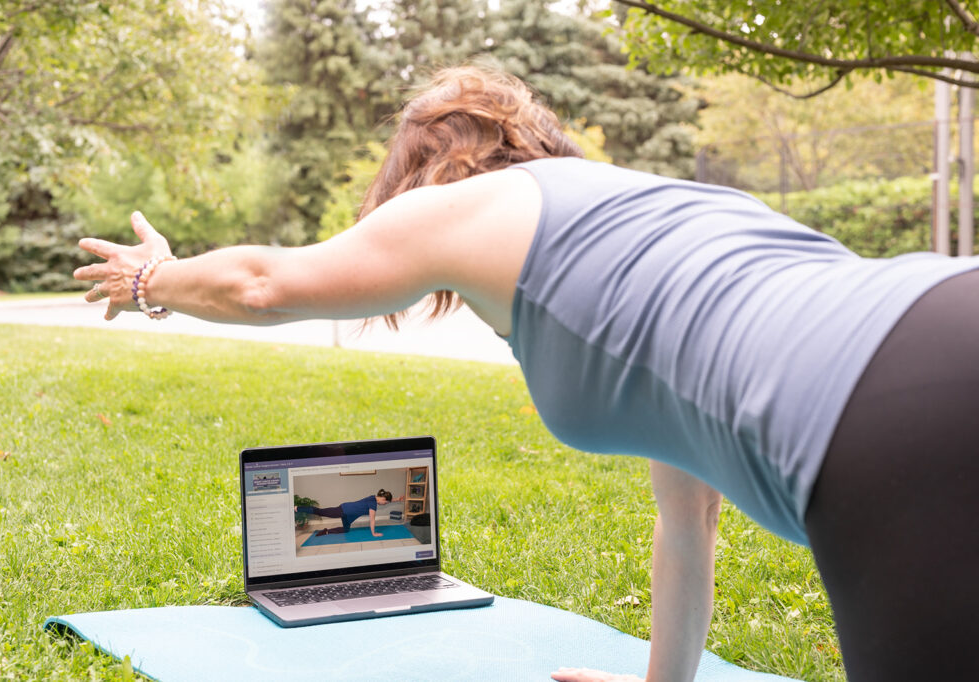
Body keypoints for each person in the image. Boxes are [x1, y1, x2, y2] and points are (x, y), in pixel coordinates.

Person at [73, 65, 979, 682]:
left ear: (424, 169)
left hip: (893, 417)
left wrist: (151, 279)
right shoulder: (647, 224)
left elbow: (265, 283)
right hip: (942, 314)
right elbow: (686, 519)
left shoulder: (466, 206)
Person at [296, 489, 404, 537]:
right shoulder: (373, 504)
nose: (384, 504)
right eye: (385, 502)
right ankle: (297, 508)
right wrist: (374, 533)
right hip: (343, 510)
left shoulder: (374, 497)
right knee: (320, 512)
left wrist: (397, 499)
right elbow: (372, 519)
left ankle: (326, 531)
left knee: (346, 529)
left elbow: (387, 499)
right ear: (383, 498)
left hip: (348, 514)